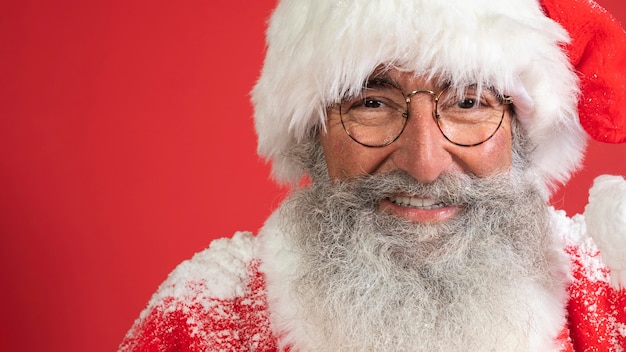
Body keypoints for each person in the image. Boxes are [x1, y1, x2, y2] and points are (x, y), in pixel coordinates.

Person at [119, 0, 626, 350]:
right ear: (312, 130)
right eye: (371, 102)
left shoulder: (607, 301)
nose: (424, 162)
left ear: (521, 133)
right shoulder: (203, 322)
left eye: (469, 102)